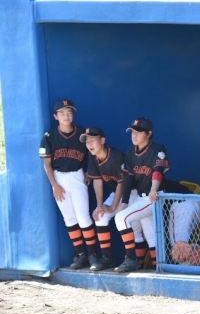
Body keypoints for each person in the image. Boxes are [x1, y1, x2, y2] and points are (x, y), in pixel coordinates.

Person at [39, 99, 100, 269]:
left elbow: (93, 156)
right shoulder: (50, 136)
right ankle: (81, 254)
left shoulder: (82, 134)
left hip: (77, 176)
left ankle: (93, 254)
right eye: (62, 113)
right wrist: (55, 185)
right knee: (69, 218)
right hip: (58, 178)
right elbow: (47, 164)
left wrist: (89, 172)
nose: (66, 116)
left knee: (83, 217)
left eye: (69, 112)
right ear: (55, 116)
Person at [114, 117, 170, 273]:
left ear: (149, 134)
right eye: (132, 132)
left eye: (138, 132)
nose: (134, 135)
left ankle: (131, 259)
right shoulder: (130, 152)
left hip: (155, 197)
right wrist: (124, 202)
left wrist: (153, 189)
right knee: (151, 236)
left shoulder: (158, 149)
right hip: (141, 197)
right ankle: (160, 268)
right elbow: (129, 178)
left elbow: (158, 172)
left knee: (121, 218)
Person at [83, 126, 136, 271]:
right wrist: (100, 205)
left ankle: (132, 259)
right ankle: (107, 259)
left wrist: (113, 207)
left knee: (126, 221)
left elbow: (121, 183)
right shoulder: (92, 156)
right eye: (87, 141)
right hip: (116, 194)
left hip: (131, 193)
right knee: (100, 217)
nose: (89, 144)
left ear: (102, 141)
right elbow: (97, 181)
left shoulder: (116, 156)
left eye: (92, 140)